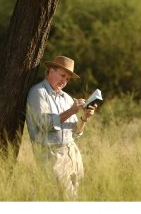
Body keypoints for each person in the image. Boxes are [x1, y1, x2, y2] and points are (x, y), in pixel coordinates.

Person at [26, 55, 97, 197]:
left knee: (77, 195)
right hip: (51, 154)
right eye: (62, 75)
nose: (64, 81)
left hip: (72, 152)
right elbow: (43, 125)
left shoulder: (67, 97)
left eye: (67, 79)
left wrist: (84, 118)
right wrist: (71, 110)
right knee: (64, 198)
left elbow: (76, 133)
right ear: (51, 71)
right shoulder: (38, 92)